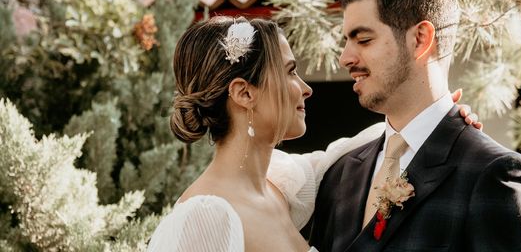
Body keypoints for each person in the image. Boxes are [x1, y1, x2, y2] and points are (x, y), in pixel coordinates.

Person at [147, 16, 480, 251]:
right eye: (290, 71)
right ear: (244, 93)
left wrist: (435, 120)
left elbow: (345, 151)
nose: (305, 89)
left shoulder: (281, 184)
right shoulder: (206, 217)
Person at [308, 0, 521, 252]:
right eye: (346, 41)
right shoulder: (341, 175)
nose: (345, 58)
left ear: (420, 39)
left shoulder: (493, 175)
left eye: (363, 40)